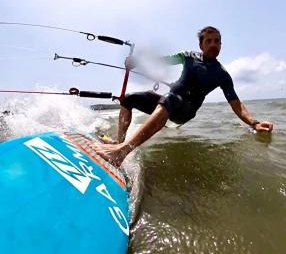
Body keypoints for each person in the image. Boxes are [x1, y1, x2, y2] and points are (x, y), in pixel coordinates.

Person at [91, 26, 273, 167]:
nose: (213, 44)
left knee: (170, 99)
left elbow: (237, 104)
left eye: (217, 41)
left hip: (184, 111)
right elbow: (162, 60)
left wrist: (254, 123)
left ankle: (122, 152)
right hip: (169, 101)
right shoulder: (187, 56)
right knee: (129, 99)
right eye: (208, 41)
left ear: (221, 46)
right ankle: (119, 143)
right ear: (201, 45)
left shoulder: (222, 74)